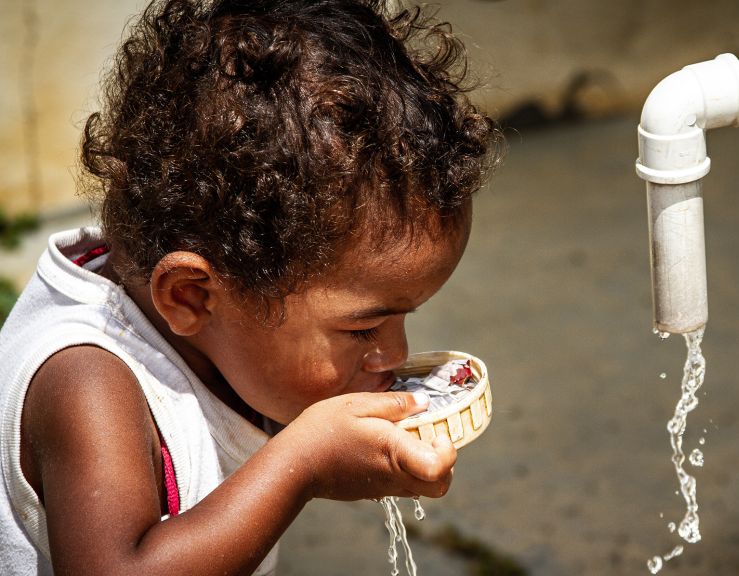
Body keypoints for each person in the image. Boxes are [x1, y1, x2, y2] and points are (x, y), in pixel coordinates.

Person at [0, 0, 499, 573]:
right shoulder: (86, 383)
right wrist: (304, 465)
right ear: (191, 296)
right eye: (364, 328)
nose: (396, 354)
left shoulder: (229, 337)